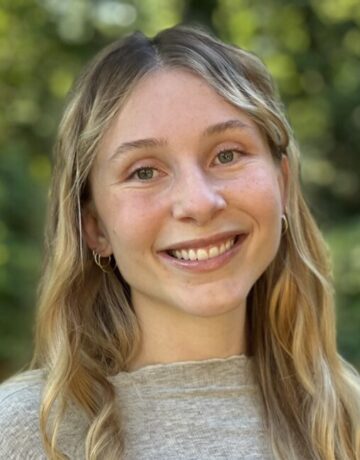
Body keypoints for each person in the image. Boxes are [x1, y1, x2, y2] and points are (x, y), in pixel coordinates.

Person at [0, 24, 359, 460]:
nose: (199, 203)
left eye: (227, 155)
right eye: (145, 171)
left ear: (282, 184)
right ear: (94, 227)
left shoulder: (348, 419)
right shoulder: (28, 433)